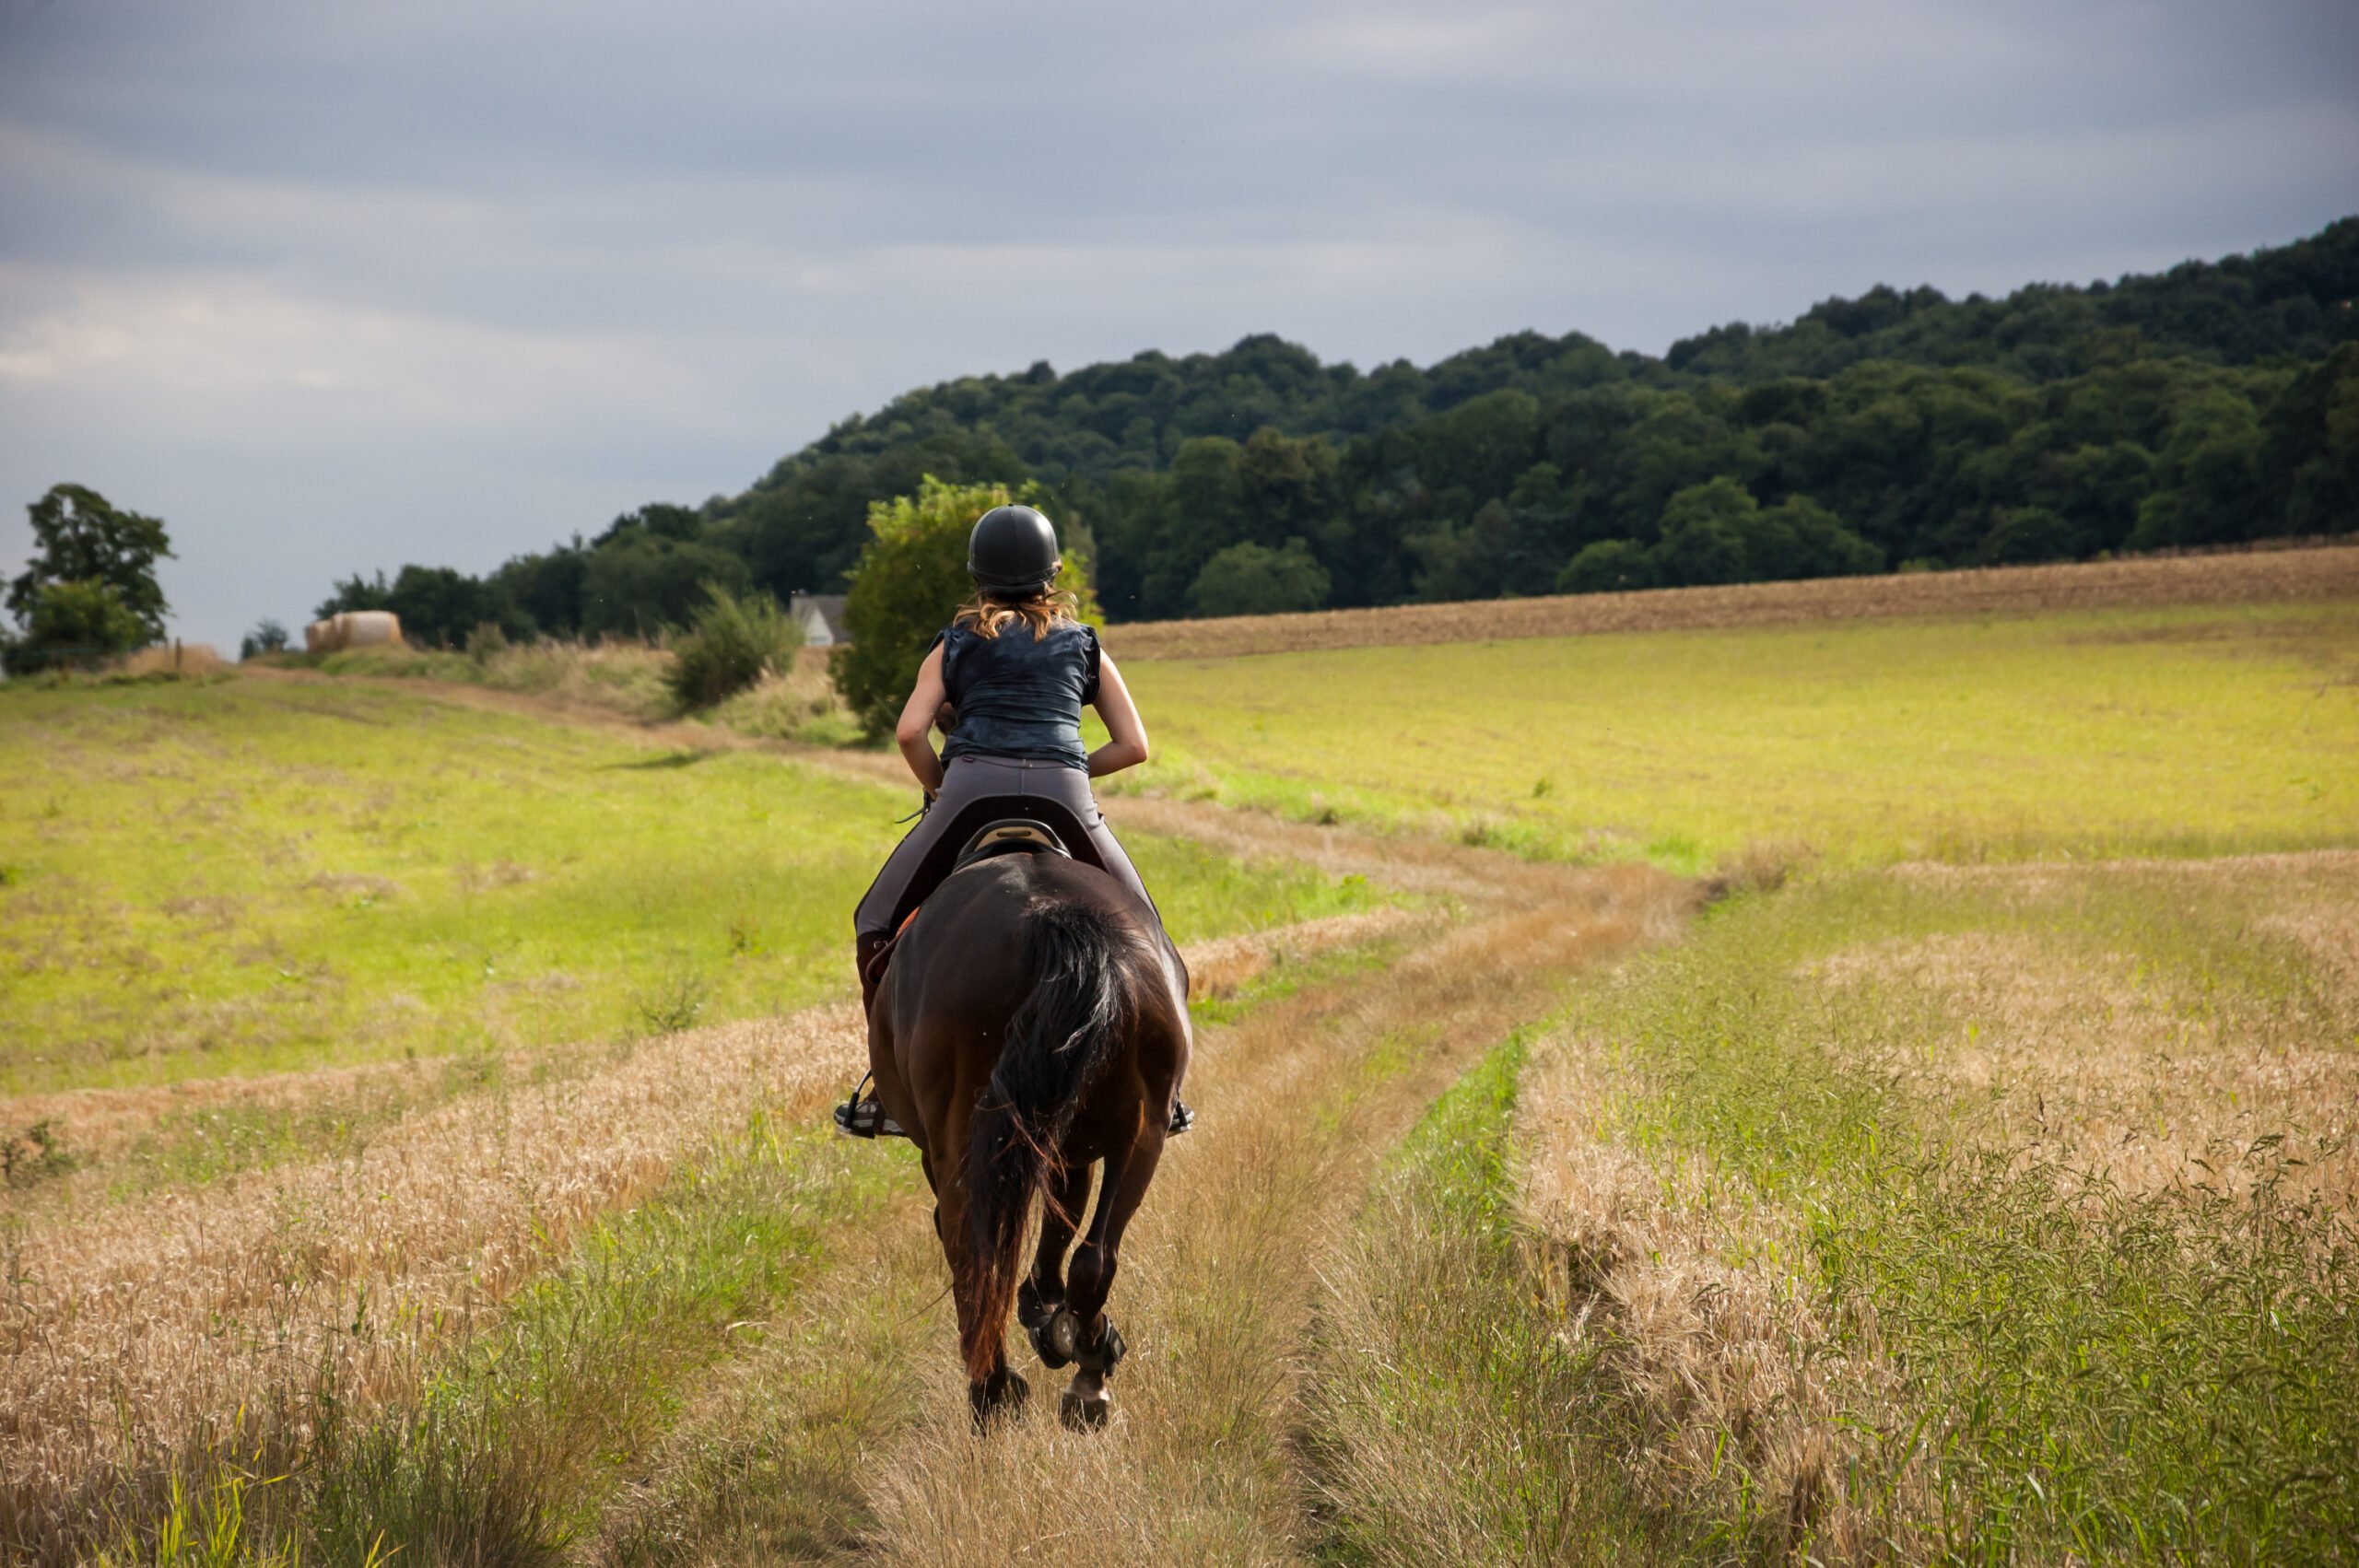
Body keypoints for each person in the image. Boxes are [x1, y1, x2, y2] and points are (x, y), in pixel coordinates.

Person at [837, 503, 1191, 1140]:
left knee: (875, 923)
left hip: (968, 789)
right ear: (1052, 573)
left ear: (979, 577)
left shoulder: (954, 643)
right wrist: (1068, 766)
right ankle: (1164, 1095)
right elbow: (1134, 744)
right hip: (1064, 792)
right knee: (1151, 939)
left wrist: (942, 786)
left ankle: (886, 1090)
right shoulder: (1084, 644)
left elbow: (911, 731)